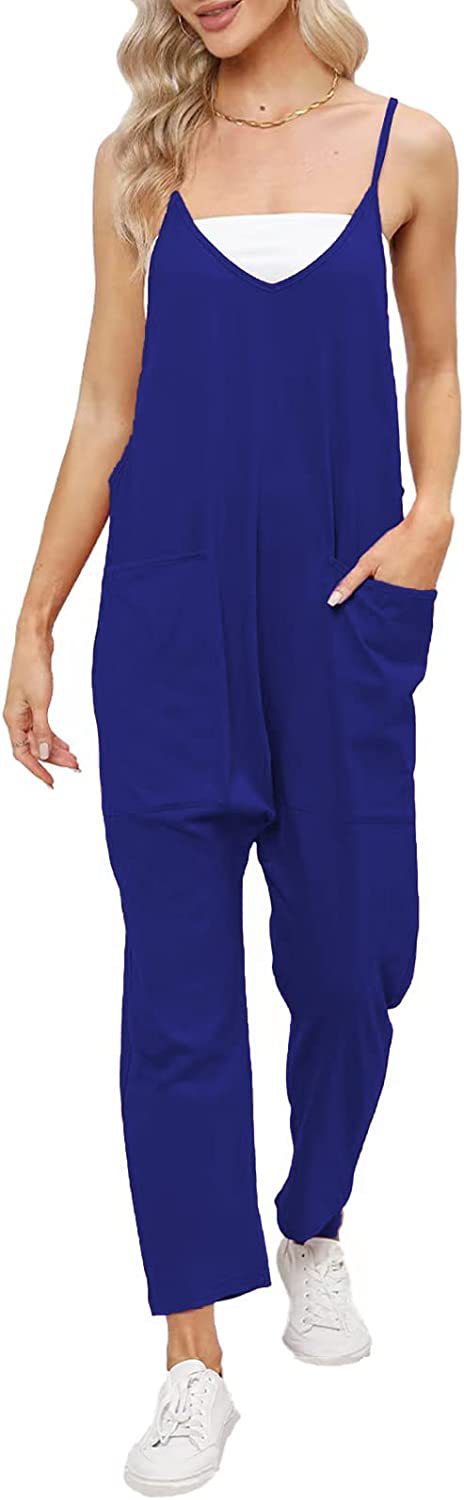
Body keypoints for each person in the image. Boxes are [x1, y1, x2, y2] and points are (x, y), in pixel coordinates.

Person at [4, 1, 459, 1494]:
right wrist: (35, 617)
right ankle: (192, 1356)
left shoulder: (408, 150)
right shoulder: (139, 160)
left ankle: (313, 1218)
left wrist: (433, 515)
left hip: (334, 625)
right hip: (169, 630)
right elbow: (104, 403)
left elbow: (435, 363)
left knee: (358, 962)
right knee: (178, 1004)